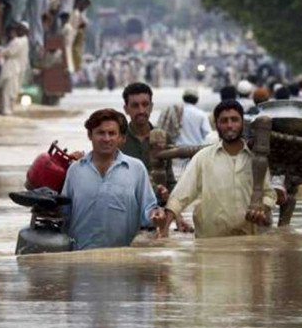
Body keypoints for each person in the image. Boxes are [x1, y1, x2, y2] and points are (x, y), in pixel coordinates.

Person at [161, 100, 277, 238]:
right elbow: (180, 196)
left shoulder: (257, 160)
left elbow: (269, 195)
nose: (229, 125)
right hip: (210, 245)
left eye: (234, 120)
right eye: (224, 121)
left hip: (249, 242)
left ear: (242, 124)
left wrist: (262, 209)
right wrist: (164, 231)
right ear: (216, 125)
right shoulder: (202, 158)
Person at [61, 109, 166, 250]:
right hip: (81, 259)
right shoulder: (75, 170)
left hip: (122, 260)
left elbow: (148, 209)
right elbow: (64, 214)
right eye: (100, 132)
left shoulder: (136, 169)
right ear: (89, 135)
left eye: (112, 133)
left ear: (122, 138)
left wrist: (156, 215)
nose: (106, 138)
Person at [120, 83, 192, 233]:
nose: (141, 110)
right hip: (124, 216)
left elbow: (170, 180)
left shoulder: (163, 138)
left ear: (151, 107)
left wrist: (177, 217)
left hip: (156, 217)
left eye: (145, 105)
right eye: (135, 105)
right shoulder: (117, 139)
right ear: (126, 109)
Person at [0, 23, 30, 115]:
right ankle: (3, 108)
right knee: (10, 89)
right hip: (17, 68)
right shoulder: (25, 40)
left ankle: (5, 109)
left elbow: (9, 52)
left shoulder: (18, 41)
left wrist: (0, 51)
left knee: (7, 90)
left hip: (11, 67)